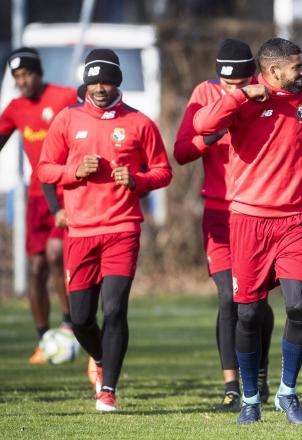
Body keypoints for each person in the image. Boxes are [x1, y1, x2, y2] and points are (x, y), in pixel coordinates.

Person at [193, 37, 302, 425]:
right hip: (248, 221)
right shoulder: (248, 101)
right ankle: (250, 399)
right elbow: (202, 126)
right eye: (297, 67)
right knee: (249, 315)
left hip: (293, 221)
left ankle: (288, 393)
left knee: (300, 306)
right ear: (272, 72)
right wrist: (239, 95)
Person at [38, 49, 173, 412]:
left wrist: (138, 179)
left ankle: (108, 388)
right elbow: (45, 170)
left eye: (107, 80)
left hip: (122, 229)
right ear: (86, 82)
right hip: (80, 233)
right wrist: (74, 171)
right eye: (94, 80)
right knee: (81, 319)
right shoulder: (67, 120)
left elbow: (163, 170)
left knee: (114, 311)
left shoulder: (139, 123)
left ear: (118, 82)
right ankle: (100, 359)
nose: (100, 87)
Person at [174, 38, 275, 410]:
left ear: (255, 75)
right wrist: (211, 136)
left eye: (242, 83)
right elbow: (182, 151)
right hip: (219, 213)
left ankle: (260, 373)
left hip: (260, 213)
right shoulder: (203, 94)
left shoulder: (268, 94)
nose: (236, 91)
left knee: (257, 303)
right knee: (227, 296)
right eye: (228, 85)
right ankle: (233, 385)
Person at [0, 47, 77, 363]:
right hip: (36, 198)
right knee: (36, 269)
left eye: (26, 74)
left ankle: (69, 324)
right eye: (17, 76)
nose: (22, 81)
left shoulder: (64, 97)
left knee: (56, 254)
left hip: (66, 192)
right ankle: (44, 338)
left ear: (38, 73)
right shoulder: (16, 108)